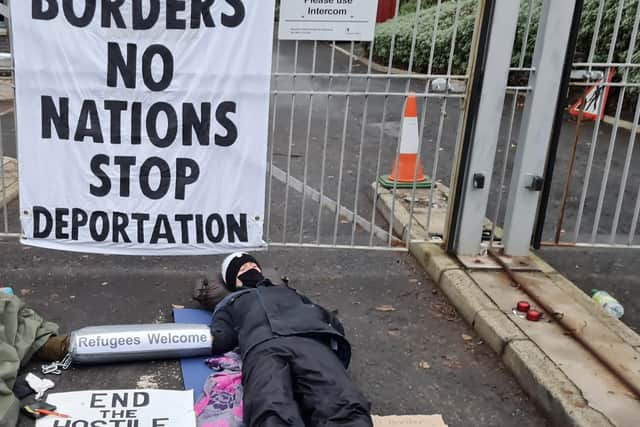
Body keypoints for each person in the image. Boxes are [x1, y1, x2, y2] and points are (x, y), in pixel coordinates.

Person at [210, 252, 373, 427]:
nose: (250, 268)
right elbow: (222, 337)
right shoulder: (230, 302)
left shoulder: (290, 292)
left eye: (253, 265)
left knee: (340, 401)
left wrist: (324, 330)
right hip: (263, 346)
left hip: (310, 340)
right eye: (242, 268)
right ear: (233, 280)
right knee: (270, 407)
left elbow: (326, 317)